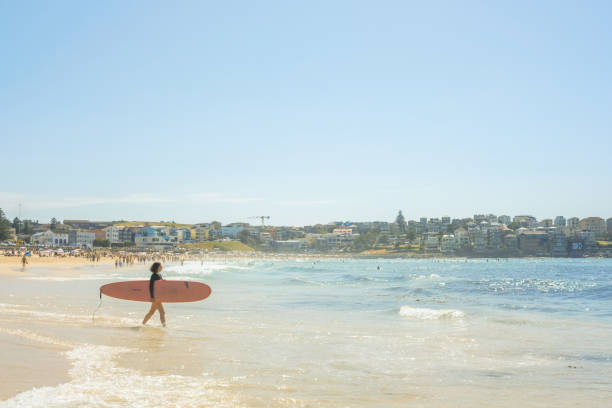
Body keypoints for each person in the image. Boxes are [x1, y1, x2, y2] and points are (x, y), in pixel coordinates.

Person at [142, 262, 166, 327]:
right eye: (160, 266)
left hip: (158, 296)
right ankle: (164, 326)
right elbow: (151, 286)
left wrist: (163, 281)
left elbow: (159, 285)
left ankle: (143, 324)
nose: (161, 267)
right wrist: (152, 297)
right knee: (162, 312)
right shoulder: (154, 275)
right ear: (157, 267)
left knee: (151, 312)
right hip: (156, 297)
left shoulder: (159, 275)